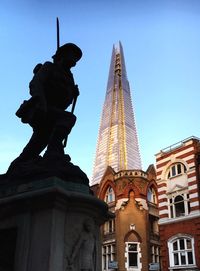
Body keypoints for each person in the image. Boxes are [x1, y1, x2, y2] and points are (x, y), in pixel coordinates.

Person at [13, 43, 82, 165]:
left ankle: (17, 166)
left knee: (37, 144)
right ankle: (53, 151)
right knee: (68, 118)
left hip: (54, 111)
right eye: (73, 55)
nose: (74, 60)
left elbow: (65, 102)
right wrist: (41, 103)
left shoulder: (69, 77)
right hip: (41, 108)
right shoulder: (49, 67)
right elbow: (36, 84)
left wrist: (73, 94)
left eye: (76, 58)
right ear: (63, 54)